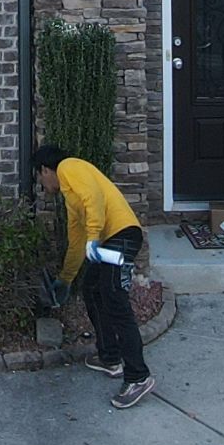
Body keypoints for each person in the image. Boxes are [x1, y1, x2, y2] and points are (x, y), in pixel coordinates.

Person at [34, 143, 153, 408]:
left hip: (121, 235)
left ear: (45, 169)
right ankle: (110, 358)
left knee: (115, 301)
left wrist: (94, 236)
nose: (43, 185)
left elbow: (94, 197)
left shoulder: (69, 167)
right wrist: (65, 278)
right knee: (91, 289)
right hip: (109, 241)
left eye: (40, 178)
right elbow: (76, 241)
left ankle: (138, 376)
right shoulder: (69, 194)